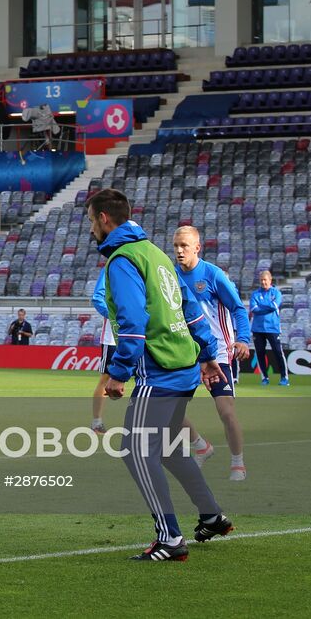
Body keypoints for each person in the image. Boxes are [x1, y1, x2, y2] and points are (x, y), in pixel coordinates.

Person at [88, 188, 232, 561]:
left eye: (92, 221)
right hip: (184, 368)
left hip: (160, 372)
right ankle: (212, 515)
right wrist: (208, 353)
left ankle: (169, 538)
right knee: (166, 448)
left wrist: (118, 373)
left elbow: (133, 322)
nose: (91, 228)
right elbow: (191, 307)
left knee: (135, 452)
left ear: (105, 218)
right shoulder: (156, 254)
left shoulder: (122, 260)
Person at [171, 226, 252, 482]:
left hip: (217, 352)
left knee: (226, 412)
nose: (179, 251)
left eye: (184, 245)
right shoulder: (170, 277)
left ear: (197, 247)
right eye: (175, 246)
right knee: (170, 411)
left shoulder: (213, 275)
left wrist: (243, 339)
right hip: (186, 354)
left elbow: (238, 308)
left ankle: (238, 463)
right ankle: (201, 446)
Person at [249, 270, 288, 386]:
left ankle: (284, 377)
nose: (263, 282)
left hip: (273, 328)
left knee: (278, 352)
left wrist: (262, 307)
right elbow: (254, 309)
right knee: (260, 353)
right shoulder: (255, 294)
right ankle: (264, 377)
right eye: (261, 280)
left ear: (270, 280)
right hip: (257, 329)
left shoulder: (276, 293)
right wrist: (268, 307)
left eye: (265, 280)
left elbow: (275, 306)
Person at [91, 270, 113, 434]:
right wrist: (114, 315)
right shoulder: (109, 269)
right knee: (105, 378)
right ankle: (97, 422)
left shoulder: (142, 267)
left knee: (146, 378)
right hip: (112, 337)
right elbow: (98, 298)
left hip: (138, 334)